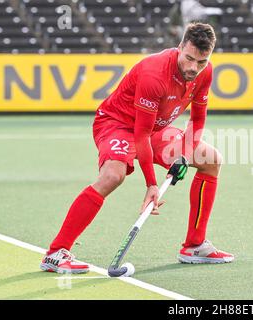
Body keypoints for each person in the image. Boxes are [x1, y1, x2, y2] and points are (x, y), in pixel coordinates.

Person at [40, 23, 234, 274]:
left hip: (154, 129)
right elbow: (140, 135)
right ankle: (56, 252)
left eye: (201, 62)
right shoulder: (154, 74)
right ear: (179, 48)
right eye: (189, 59)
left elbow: (197, 120)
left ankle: (194, 245)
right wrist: (151, 185)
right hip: (118, 124)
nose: (193, 68)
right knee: (112, 176)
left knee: (211, 160)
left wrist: (184, 157)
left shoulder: (204, 73)